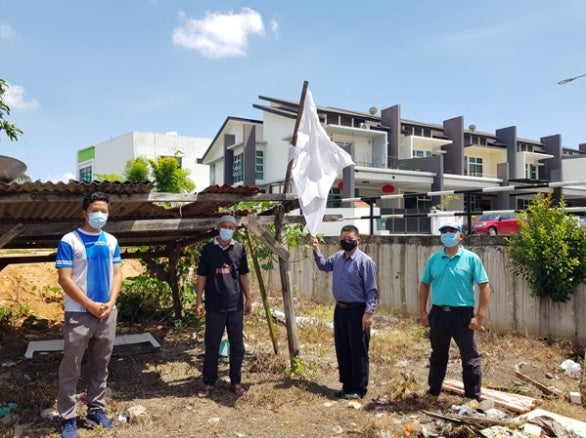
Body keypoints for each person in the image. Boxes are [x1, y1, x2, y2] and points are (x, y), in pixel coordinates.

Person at [55, 192, 122, 438]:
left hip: (107, 313)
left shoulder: (112, 241)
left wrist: (110, 302)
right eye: (95, 210)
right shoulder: (69, 240)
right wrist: (90, 304)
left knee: (101, 364)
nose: (100, 215)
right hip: (78, 313)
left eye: (104, 210)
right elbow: (64, 279)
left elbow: (117, 274)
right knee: (71, 366)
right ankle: (68, 417)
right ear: (84, 212)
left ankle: (95, 410)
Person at [418, 222, 491, 400]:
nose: (447, 235)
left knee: (469, 357)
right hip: (439, 314)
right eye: (444, 232)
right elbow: (424, 284)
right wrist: (423, 312)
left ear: (461, 236)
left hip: (463, 315)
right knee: (438, 355)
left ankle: (472, 397)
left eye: (452, 231)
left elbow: (484, 286)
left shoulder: (471, 258)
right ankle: (433, 391)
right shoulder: (434, 259)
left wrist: (479, 316)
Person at [309, 225, 378, 399]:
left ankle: (359, 388)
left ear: (358, 240)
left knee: (358, 350)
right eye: (343, 239)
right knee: (343, 348)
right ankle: (347, 386)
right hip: (340, 310)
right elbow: (323, 266)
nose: (346, 242)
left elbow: (372, 291)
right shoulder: (337, 258)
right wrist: (316, 249)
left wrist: (368, 313)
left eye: (350, 239)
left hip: (358, 311)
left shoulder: (365, 262)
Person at [196, 215, 251, 397]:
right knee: (212, 345)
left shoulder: (239, 249)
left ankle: (235, 382)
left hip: (235, 305)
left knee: (237, 346)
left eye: (231, 227)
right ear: (219, 227)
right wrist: (198, 300)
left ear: (235, 230)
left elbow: (243, 275)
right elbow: (202, 276)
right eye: (225, 226)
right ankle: (208, 383)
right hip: (214, 306)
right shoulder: (208, 249)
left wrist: (248, 298)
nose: (227, 229)